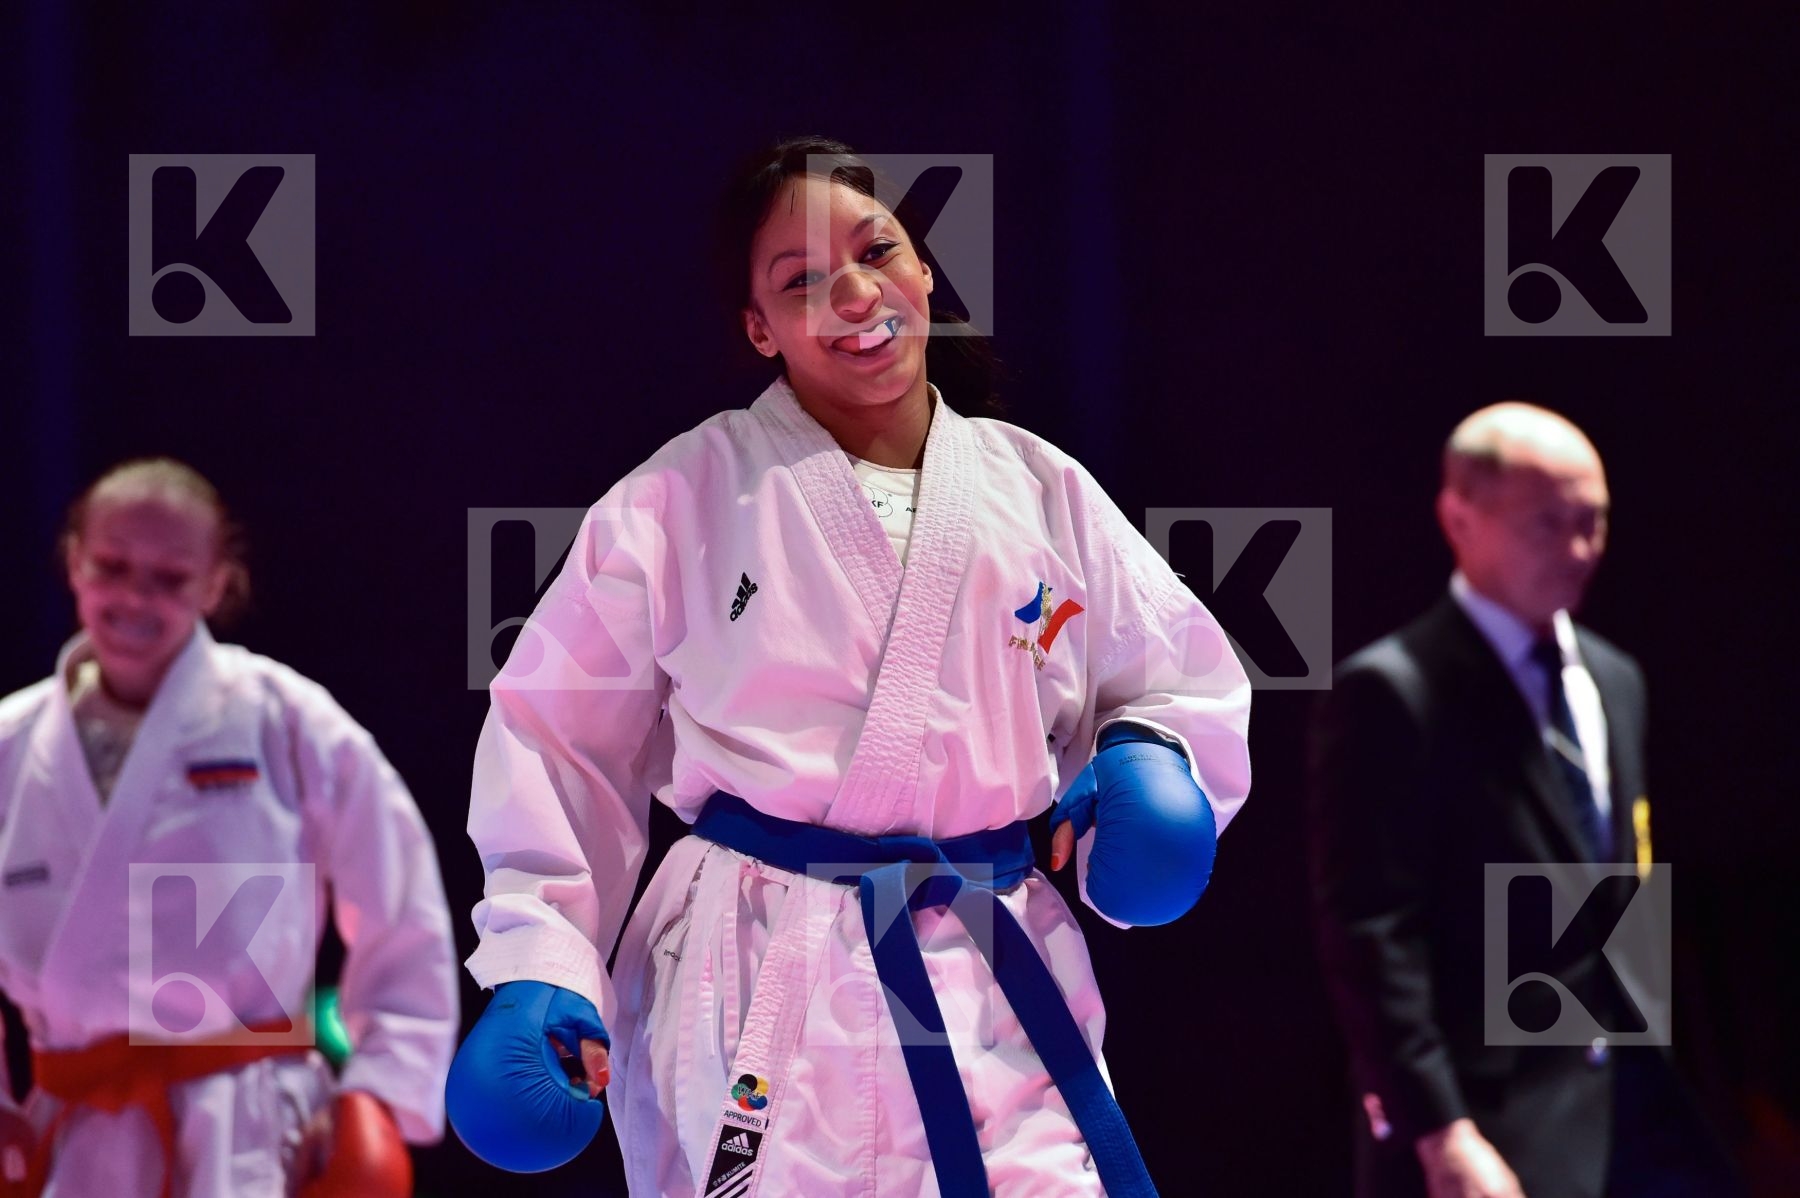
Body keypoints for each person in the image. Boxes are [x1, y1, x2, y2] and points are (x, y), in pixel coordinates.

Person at [445, 136, 1253, 1197]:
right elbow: (557, 740)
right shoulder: (682, 498)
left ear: (924, 270)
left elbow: (1171, 668)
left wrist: (1152, 756)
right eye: (801, 282)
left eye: (879, 252)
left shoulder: (1037, 487)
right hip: (767, 979)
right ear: (760, 328)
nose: (856, 294)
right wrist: (540, 963)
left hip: (990, 969)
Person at [1308, 403, 1742, 1198]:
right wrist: (1441, 1132)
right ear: (1459, 517)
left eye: (1595, 522)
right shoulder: (1394, 692)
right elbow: (1372, 933)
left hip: (1635, 1105)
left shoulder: (1616, 680)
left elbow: (1621, 880)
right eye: (1549, 524)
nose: (1580, 550)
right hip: (1492, 1118)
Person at [0, 458, 460, 1197]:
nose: (134, 597)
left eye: (170, 577)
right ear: (74, 562)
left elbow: (401, 904)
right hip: (73, 1134)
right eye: (112, 566)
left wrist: (377, 1092)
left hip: (251, 1134)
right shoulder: (11, 745)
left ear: (216, 584)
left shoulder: (284, 719)